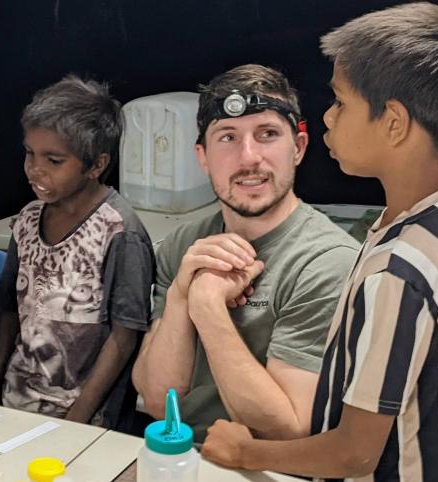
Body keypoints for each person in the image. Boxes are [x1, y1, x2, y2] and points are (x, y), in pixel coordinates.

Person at [201, 3, 438, 481]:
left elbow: (354, 453)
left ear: (394, 123)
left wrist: (246, 453)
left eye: (341, 102)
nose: (327, 117)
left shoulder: (398, 273)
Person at [132, 64, 359, 441]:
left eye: (267, 134)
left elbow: (285, 428)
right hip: (184, 458)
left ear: (299, 148)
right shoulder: (182, 246)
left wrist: (205, 305)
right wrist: (180, 295)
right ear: (202, 157)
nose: (249, 157)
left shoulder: (327, 262)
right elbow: (159, 400)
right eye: (227, 138)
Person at [0, 75, 155, 429]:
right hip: (15, 403)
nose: (35, 168)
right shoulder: (28, 220)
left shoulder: (120, 232)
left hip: (84, 418)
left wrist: (74, 425)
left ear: (95, 165)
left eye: (54, 160)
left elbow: (124, 339)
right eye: (30, 153)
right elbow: (8, 315)